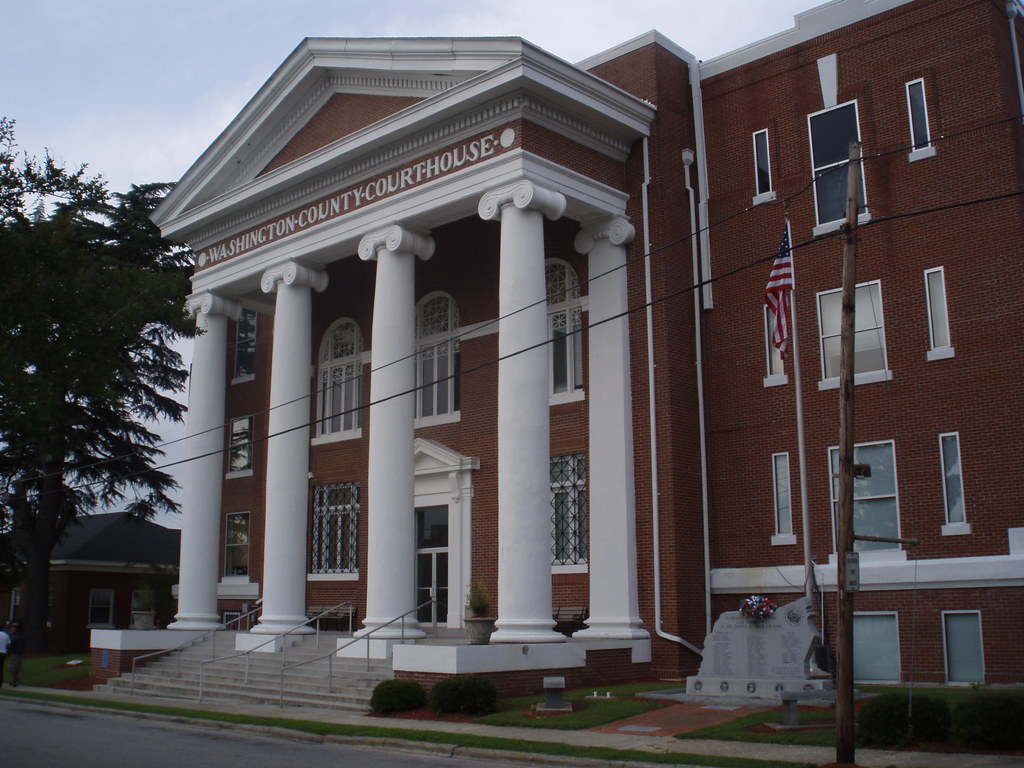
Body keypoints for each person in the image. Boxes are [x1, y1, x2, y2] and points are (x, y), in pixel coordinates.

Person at [7, 623, 24, 687]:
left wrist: (8, 652)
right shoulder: (21, 638)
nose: (11, 631)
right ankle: (14, 680)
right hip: (19, 654)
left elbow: (11, 646)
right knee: (17, 668)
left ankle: (16, 679)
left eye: (13, 629)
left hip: (14, 654)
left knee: (12, 668)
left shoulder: (14, 638)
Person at [0, 623, 9, 688]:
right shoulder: (5, 635)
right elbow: (8, 644)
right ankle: (0, 682)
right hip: (3, 653)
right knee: (1, 668)